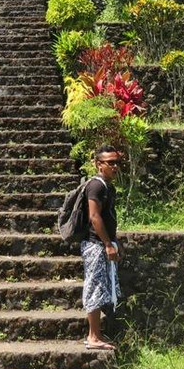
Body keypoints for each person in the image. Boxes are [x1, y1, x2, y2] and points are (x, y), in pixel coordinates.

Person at [81, 145, 122, 350]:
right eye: (110, 163)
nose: (115, 166)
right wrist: (107, 244)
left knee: (101, 288)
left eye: (117, 162)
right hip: (95, 245)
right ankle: (93, 337)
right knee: (95, 287)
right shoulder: (96, 186)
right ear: (99, 164)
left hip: (103, 243)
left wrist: (114, 242)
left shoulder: (107, 186)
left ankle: (94, 334)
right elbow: (94, 216)